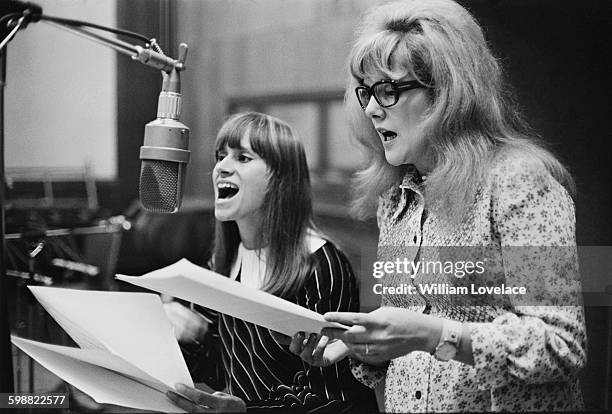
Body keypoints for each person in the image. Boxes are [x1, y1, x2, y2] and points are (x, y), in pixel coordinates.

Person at [289, 0, 587, 412]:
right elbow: (408, 340)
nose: (371, 108)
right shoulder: (396, 200)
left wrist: (434, 334)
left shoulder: (518, 180)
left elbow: (561, 344)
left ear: (446, 92)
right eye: (366, 91)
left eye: (388, 90)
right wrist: (362, 347)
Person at [163, 112, 377, 413]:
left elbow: (333, 398)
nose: (222, 168)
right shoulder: (225, 261)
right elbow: (219, 369)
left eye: (243, 158)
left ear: (280, 178)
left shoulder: (322, 265)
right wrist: (187, 333)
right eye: (220, 156)